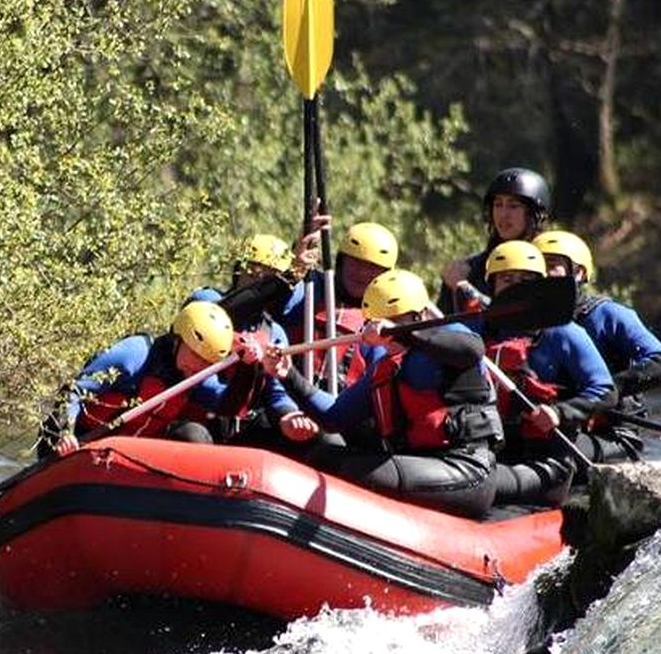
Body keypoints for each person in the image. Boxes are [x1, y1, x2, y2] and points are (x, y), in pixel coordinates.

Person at [260, 268, 503, 518]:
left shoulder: (451, 335)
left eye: (396, 320)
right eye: (379, 321)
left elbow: (472, 350)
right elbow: (334, 416)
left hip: (466, 468)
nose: (386, 330)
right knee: (323, 454)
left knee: (345, 467)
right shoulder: (385, 368)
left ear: (420, 315)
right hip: (420, 465)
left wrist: (404, 333)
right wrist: (288, 375)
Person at [479, 241, 618, 505]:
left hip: (548, 463)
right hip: (493, 453)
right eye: (507, 280)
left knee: (475, 481)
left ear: (540, 287)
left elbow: (606, 391)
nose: (516, 288)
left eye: (526, 281)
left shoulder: (563, 333)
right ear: (492, 286)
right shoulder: (477, 329)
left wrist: (559, 412)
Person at [532, 230, 661, 462]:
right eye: (537, 266)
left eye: (552, 265)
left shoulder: (608, 315)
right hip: (556, 424)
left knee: (549, 449)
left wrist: (600, 395)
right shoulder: (526, 323)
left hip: (612, 434)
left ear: (578, 272)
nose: (543, 273)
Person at [38, 300, 236, 458]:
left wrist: (249, 365)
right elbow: (74, 391)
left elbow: (231, 405)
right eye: (195, 355)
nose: (200, 366)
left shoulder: (196, 377)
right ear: (177, 339)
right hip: (79, 443)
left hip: (129, 455)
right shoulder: (135, 355)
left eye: (207, 362)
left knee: (194, 435)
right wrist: (65, 432)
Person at [188, 235, 320, 448]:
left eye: (268, 278)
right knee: (194, 434)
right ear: (237, 273)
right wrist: (289, 277)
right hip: (197, 417)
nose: (258, 283)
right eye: (252, 274)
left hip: (241, 424)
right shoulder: (205, 301)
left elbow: (277, 393)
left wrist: (288, 415)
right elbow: (226, 311)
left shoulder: (274, 332)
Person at [279, 221, 399, 387]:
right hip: (287, 389)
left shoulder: (386, 318)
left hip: (341, 399)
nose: (362, 272)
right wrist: (296, 265)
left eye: (373, 267)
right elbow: (282, 299)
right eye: (356, 262)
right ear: (341, 262)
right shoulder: (312, 285)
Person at [438, 167, 552, 314]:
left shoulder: (550, 266)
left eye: (513, 206)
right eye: (498, 205)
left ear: (535, 214)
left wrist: (464, 288)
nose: (503, 214)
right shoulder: (471, 269)